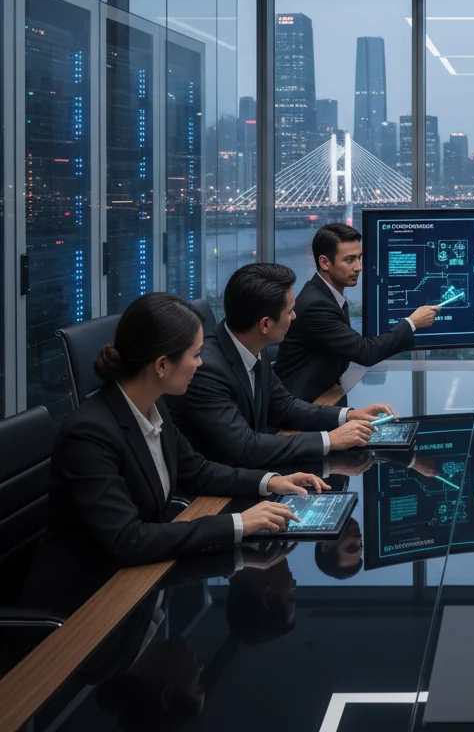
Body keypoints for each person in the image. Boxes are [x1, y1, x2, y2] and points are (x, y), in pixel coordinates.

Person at [20, 293, 328, 616]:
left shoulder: (153, 404)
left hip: (134, 584)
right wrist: (237, 523)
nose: (202, 362)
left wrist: (271, 482)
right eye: (195, 355)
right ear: (162, 365)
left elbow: (197, 471)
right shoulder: (89, 435)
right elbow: (129, 539)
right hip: (84, 609)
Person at [169, 263, 398, 469]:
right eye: (289, 311)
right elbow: (245, 447)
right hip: (217, 492)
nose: (294, 317)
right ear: (265, 324)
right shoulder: (206, 369)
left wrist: (348, 416)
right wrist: (330, 440)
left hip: (253, 470)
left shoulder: (252, 345)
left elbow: (284, 406)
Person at [276, 223, 440, 402]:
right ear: (325, 263)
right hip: (301, 409)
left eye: (359, 258)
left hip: (323, 396)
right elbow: (365, 353)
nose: (358, 267)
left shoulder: (325, 294)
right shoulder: (316, 304)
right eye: (349, 260)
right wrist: (412, 323)